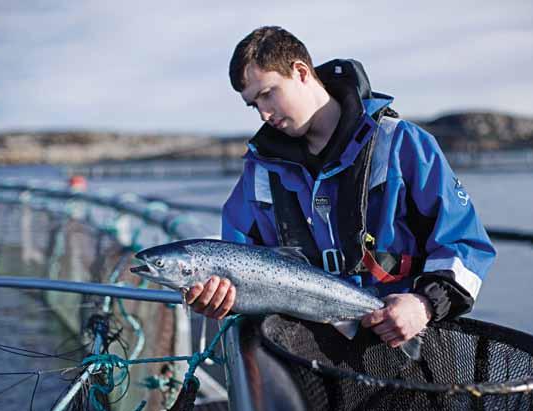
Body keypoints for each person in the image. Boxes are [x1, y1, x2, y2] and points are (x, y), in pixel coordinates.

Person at [186, 26, 496, 349]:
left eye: (268, 94)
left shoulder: (402, 143)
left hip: (408, 352)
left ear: (301, 72)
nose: (264, 114)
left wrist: (424, 304)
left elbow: (466, 243)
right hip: (306, 364)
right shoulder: (258, 173)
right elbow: (235, 260)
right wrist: (220, 298)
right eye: (254, 105)